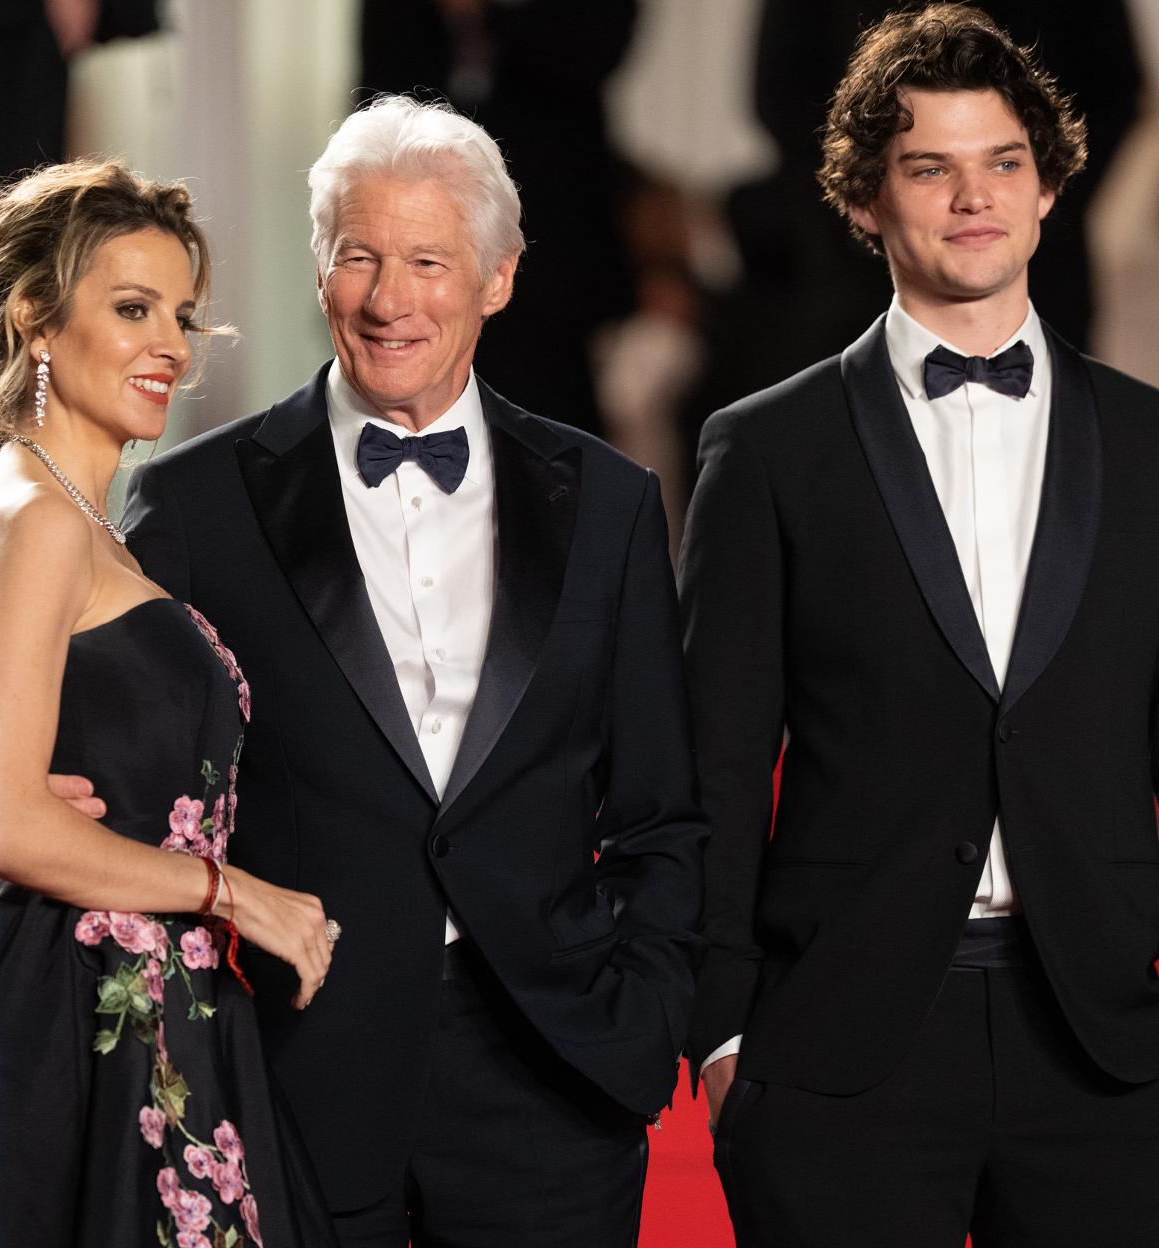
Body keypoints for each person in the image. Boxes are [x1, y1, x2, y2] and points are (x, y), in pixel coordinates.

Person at [115, 95, 706, 1245]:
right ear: (318, 269)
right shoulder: (194, 507)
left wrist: (642, 1014)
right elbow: (139, 798)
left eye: (430, 260)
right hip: (294, 1069)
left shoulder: (609, 505)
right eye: (359, 258)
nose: (391, 301)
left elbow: (662, 809)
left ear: (499, 277)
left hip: (555, 1072)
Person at [681, 6, 1159, 1246]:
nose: (973, 198)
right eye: (929, 168)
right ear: (862, 200)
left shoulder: (1152, 444)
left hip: (1104, 1044)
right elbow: (716, 765)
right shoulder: (767, 449)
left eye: (1003, 162)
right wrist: (723, 1036)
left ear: (1051, 187)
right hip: (842, 1047)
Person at [0, 160, 340, 1248]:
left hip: (127, 1003)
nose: (173, 348)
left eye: (182, 315)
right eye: (132, 309)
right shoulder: (38, 522)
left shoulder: (60, 517)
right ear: (38, 324)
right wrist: (236, 894)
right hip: (86, 1023)